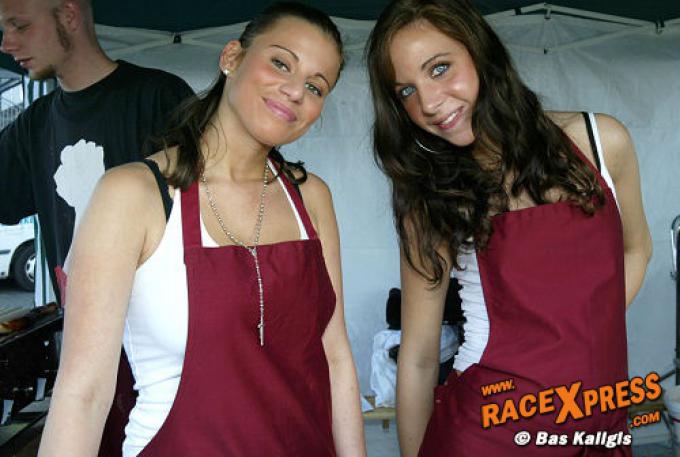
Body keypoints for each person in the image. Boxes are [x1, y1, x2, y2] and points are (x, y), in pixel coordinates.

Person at [37, 2, 366, 456]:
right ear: (232, 57)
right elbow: (83, 393)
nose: (295, 91)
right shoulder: (132, 194)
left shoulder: (310, 198)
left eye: (315, 86)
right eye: (280, 63)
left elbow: (335, 357)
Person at [366, 0, 652, 455]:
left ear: (480, 51)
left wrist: (580, 338)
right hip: (486, 434)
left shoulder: (602, 141)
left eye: (439, 68)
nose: (429, 103)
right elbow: (419, 358)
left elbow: (637, 249)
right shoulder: (430, 197)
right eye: (406, 91)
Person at [0, 0, 193, 454]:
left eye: (19, 25)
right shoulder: (35, 125)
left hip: (167, 362)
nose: (7, 44)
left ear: (69, 15)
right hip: (84, 354)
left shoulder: (160, 99)